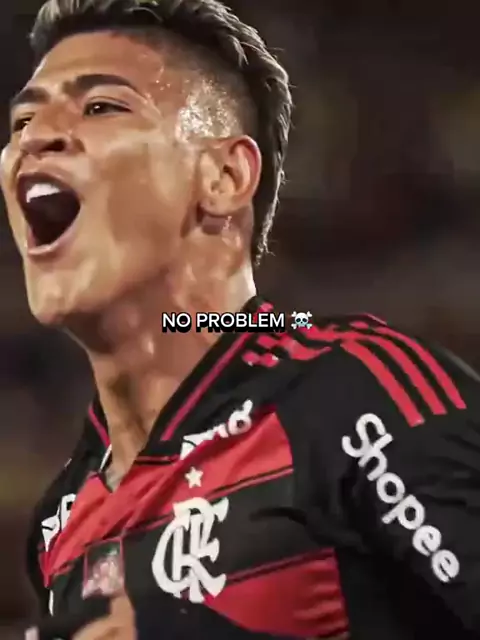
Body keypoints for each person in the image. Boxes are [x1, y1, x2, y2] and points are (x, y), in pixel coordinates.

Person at [2, 0, 480, 638]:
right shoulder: (60, 521)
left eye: (101, 107)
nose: (35, 137)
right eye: (22, 120)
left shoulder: (356, 397)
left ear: (225, 177)